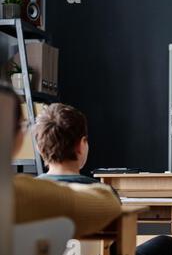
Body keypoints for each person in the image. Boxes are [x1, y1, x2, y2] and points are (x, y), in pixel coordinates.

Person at [33, 102, 172, 255]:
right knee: (166, 244)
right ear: (81, 145)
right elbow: (120, 254)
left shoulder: (27, 194)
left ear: (40, 148)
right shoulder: (103, 194)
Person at [0, 81, 121, 238]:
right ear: (81, 145)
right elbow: (109, 204)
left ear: (39, 147)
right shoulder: (27, 194)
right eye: (22, 126)